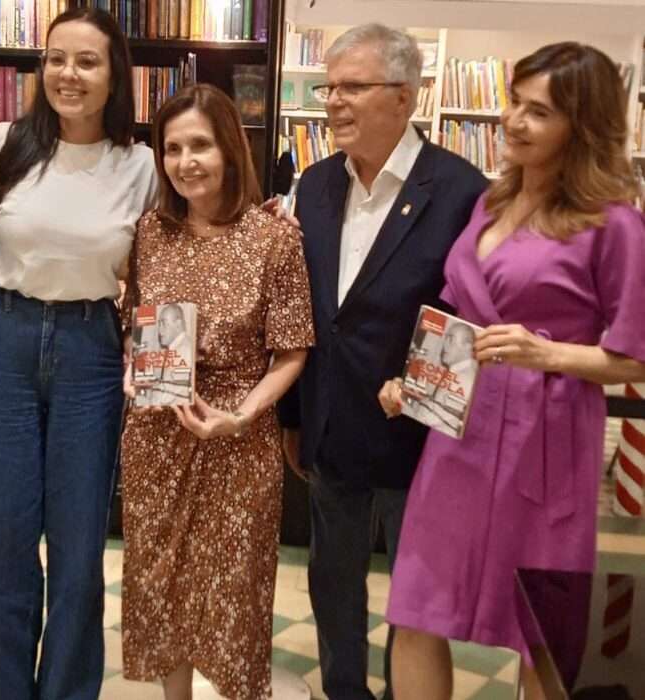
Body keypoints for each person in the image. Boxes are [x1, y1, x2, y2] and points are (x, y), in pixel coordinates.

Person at [377, 42, 645, 700]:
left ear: (580, 127)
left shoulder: (615, 225)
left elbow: (636, 356)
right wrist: (412, 384)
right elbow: (461, 317)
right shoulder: (490, 206)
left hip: (546, 443)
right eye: (514, 102)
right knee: (415, 608)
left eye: (540, 111)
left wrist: (544, 353)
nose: (515, 121)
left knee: (543, 632)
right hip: (459, 430)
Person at [275, 23, 489, 700]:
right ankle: (344, 689)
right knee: (333, 583)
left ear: (404, 97)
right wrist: (291, 414)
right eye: (329, 87)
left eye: (353, 87)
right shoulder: (312, 185)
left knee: (416, 598)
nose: (334, 102)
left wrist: (428, 397)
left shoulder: (460, 191)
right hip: (331, 424)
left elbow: (470, 314)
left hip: (418, 434)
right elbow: (299, 312)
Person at [0, 8, 158, 699]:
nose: (69, 74)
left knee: (77, 553)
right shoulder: (6, 144)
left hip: (90, 352)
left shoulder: (140, 164)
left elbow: (178, 254)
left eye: (88, 61)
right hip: (4, 344)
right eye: (57, 59)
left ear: (114, 75)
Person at [120, 83, 315, 700]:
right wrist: (134, 367)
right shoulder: (151, 231)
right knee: (161, 582)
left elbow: (292, 352)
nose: (185, 162)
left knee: (233, 591)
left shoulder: (274, 239)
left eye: (199, 145)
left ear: (230, 148)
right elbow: (141, 324)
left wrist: (241, 415)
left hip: (238, 437)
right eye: (171, 148)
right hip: (157, 434)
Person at [406, 321, 477, 438]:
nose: (444, 345)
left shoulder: (464, 379)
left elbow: (425, 420)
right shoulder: (460, 371)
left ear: (467, 347)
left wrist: (400, 398)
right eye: (446, 338)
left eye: (451, 339)